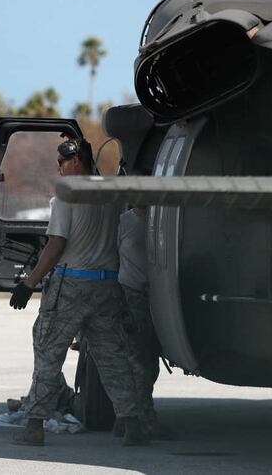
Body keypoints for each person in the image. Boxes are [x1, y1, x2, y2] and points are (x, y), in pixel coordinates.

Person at [9, 137, 146, 447]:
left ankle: (34, 425)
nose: (59, 168)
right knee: (113, 357)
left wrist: (29, 283)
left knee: (48, 353)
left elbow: (56, 244)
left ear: (75, 161)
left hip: (70, 285)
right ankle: (132, 422)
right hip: (107, 286)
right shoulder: (111, 194)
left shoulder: (65, 197)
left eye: (62, 162)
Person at [117, 168, 167, 439]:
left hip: (156, 299)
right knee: (141, 362)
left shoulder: (161, 222)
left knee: (148, 361)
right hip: (131, 296)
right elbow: (112, 259)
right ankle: (140, 419)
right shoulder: (124, 222)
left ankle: (129, 418)